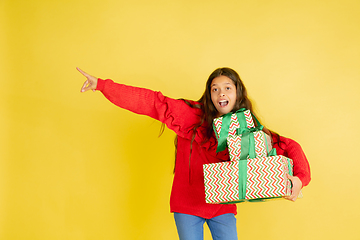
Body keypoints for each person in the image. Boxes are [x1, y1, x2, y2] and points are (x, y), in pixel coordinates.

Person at [78, 67, 311, 240]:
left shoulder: (248, 127)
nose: (221, 93)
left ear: (237, 93)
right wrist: (102, 85)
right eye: (215, 89)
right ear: (210, 95)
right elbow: (151, 102)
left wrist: (300, 179)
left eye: (227, 88)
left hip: (222, 206)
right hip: (187, 205)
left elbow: (289, 146)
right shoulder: (192, 116)